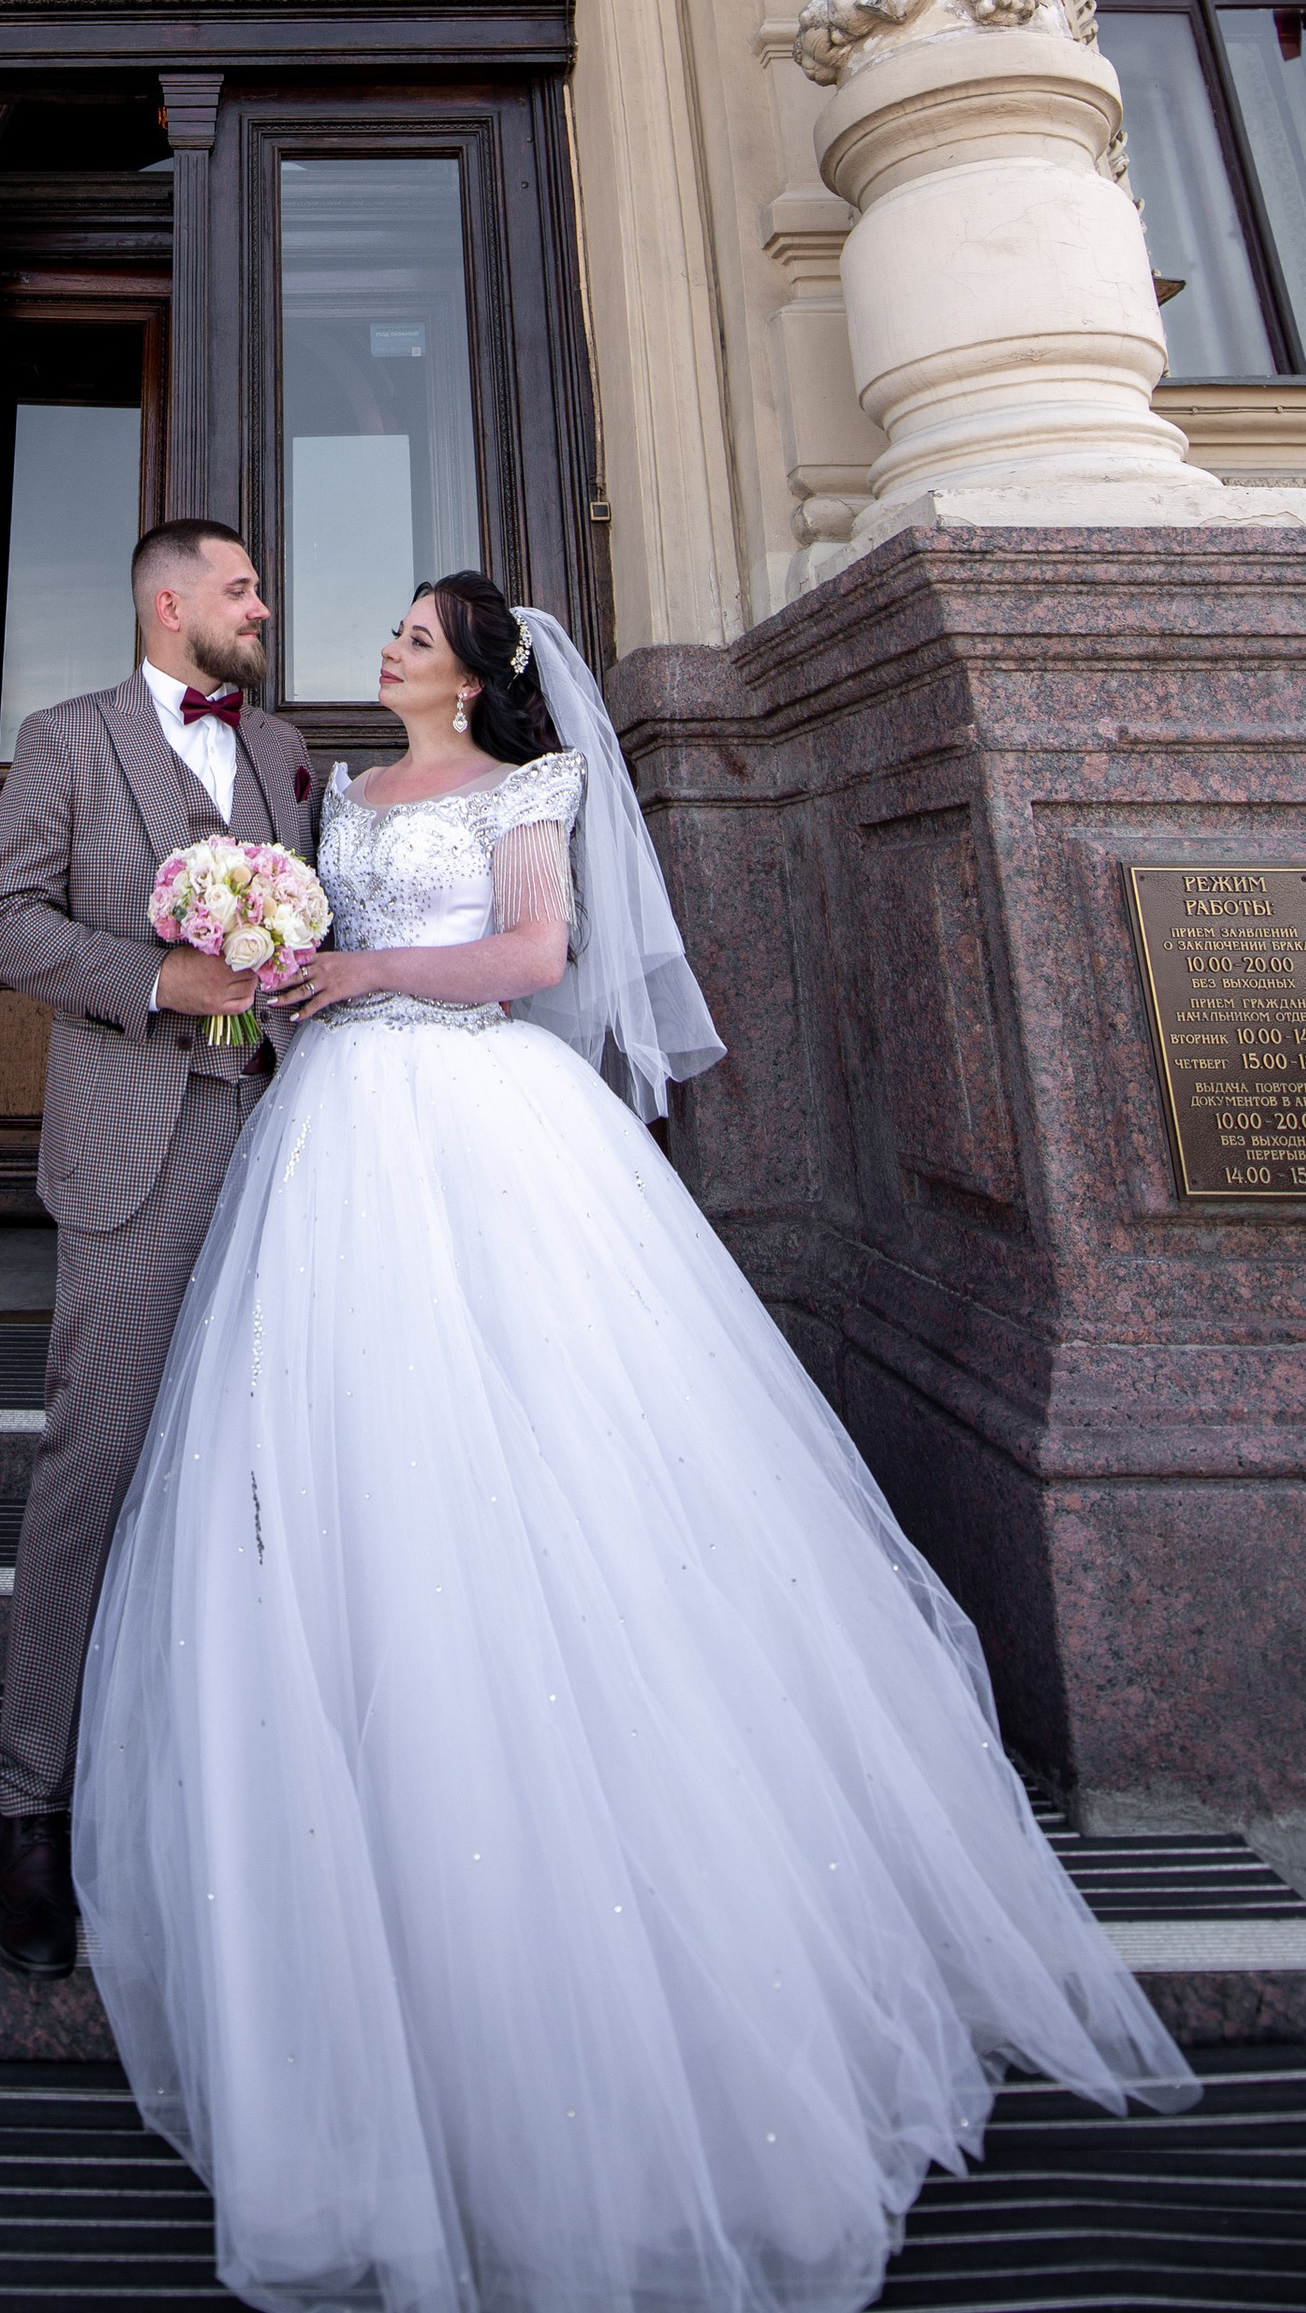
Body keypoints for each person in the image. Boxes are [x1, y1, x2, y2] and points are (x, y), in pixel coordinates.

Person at [75, 569, 1198, 2313]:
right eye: (393, 634)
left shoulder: (536, 791)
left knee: (541, 1457)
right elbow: (300, 929)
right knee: (335, 1467)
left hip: (486, 1128)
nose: (387, 649)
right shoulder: (338, 795)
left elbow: (541, 960)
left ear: (479, 673)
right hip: (337, 1137)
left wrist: (357, 965)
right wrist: (277, 958)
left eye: (417, 638)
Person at [0, 517, 316, 1984]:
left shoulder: (291, 753)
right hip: (136, 1142)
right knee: (97, 1457)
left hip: (293, 1141)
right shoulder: (66, 738)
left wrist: (296, 984)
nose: (263, 605)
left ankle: (227, 1784)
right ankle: (28, 1808)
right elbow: (4, 925)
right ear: (171, 605)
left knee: (265, 1470)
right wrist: (153, 976)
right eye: (241, 588)